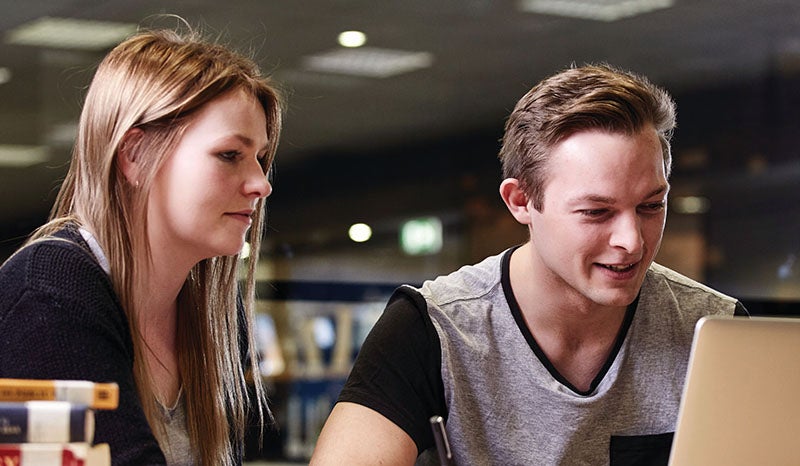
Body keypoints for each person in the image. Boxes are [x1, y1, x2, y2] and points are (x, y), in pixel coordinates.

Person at [310, 64, 748, 466]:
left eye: (651, 206)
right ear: (521, 201)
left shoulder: (716, 330)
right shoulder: (433, 329)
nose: (631, 241)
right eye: (596, 212)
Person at [0, 26, 282, 466]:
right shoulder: (48, 294)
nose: (260, 184)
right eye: (230, 155)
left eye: (261, 159)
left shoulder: (204, 319)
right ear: (135, 155)